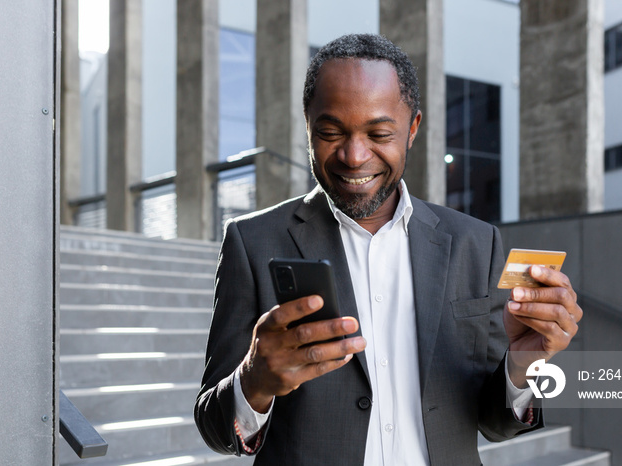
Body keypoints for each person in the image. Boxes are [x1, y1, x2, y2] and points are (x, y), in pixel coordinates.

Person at [195, 33, 582, 465]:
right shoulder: (251, 242)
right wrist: (255, 380)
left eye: (379, 132)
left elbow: (495, 422)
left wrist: (524, 362)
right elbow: (214, 426)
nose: (354, 156)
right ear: (307, 125)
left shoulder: (475, 242)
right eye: (329, 131)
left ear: (412, 128)